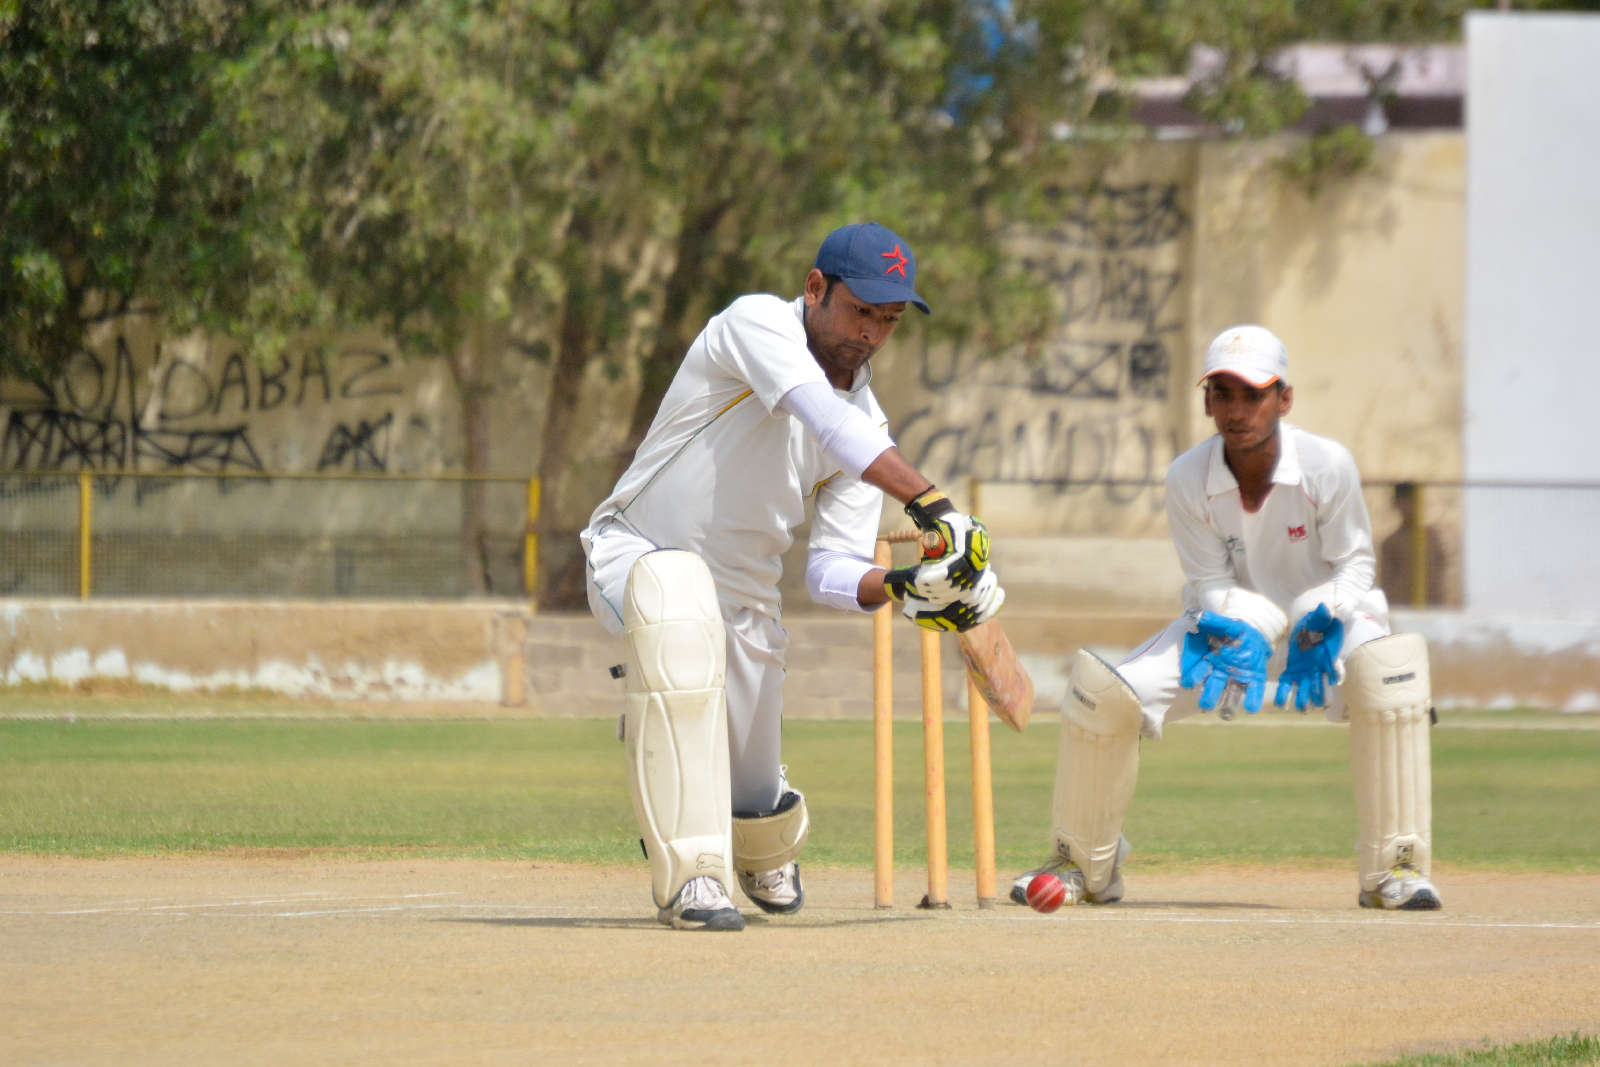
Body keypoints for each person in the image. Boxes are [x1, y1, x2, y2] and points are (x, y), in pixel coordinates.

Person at [581, 221, 1006, 931]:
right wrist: (935, 506)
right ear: (815, 288)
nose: (870, 333)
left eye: (889, 320)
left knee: (751, 796)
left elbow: (831, 572)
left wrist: (904, 588)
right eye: (860, 310)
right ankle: (694, 875)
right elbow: (822, 417)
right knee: (677, 624)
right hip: (634, 552)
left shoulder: (867, 430)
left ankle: (760, 827)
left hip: (746, 606)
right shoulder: (753, 325)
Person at [1012, 324, 1442, 912]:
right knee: (1106, 698)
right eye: (1223, 394)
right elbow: (1209, 580)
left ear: (1284, 399)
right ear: (1207, 401)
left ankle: (1396, 868)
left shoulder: (1327, 464)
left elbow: (1356, 564)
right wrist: (1243, 626)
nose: (1237, 410)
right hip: (1229, 632)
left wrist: (1324, 614)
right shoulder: (1187, 476)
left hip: (1326, 629)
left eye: (1253, 394)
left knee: (1392, 676)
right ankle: (1083, 865)